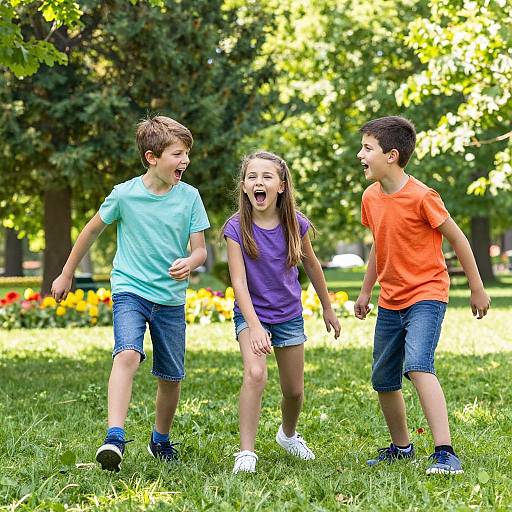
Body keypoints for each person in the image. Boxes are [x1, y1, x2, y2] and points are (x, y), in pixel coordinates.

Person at [51, 115, 210, 472]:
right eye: (178, 154)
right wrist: (66, 272)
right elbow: (91, 232)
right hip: (131, 289)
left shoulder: (189, 197)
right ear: (153, 157)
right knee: (127, 354)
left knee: (170, 377)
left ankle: (160, 439)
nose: (185, 161)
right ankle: (115, 436)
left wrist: (191, 261)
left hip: (170, 298)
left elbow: (199, 249)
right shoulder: (124, 194)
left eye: (187, 154)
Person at [354, 116, 491, 475]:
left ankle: (445, 452)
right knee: (383, 378)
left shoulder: (422, 196)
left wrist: (476, 287)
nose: (360, 155)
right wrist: (366, 290)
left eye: (367, 149)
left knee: (417, 366)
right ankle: (402, 447)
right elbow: (378, 246)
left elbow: (458, 239)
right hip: (390, 299)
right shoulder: (371, 197)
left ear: (392, 155)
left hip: (427, 294)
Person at [223, 150, 341, 474]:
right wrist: (255, 326)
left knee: (294, 390)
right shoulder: (235, 227)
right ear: (244, 187)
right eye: (252, 177)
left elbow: (313, 266)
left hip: (288, 314)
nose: (258, 182)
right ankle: (246, 452)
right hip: (252, 314)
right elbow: (239, 283)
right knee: (256, 374)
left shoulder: (295, 223)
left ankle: (287, 435)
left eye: (266, 176)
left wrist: (328, 308)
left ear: (282, 185)